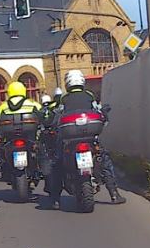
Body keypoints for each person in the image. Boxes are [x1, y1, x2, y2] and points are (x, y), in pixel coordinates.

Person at [45, 69, 125, 206]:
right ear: (82, 81)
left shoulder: (64, 98)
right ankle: (114, 194)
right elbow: (98, 110)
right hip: (89, 136)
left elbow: (58, 115)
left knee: (57, 163)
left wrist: (52, 124)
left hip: (69, 139)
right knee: (104, 159)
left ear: (67, 83)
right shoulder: (89, 95)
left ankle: (55, 199)